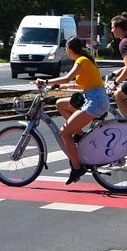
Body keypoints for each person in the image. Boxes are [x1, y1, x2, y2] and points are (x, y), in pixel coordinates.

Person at [38, 36, 109, 185]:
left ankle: (77, 168)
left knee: (64, 133)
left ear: (69, 50)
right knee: (60, 104)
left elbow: (67, 78)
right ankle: (80, 135)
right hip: (94, 98)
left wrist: (45, 81)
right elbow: (84, 85)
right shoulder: (85, 60)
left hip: (94, 102)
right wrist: (60, 87)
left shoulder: (81, 61)